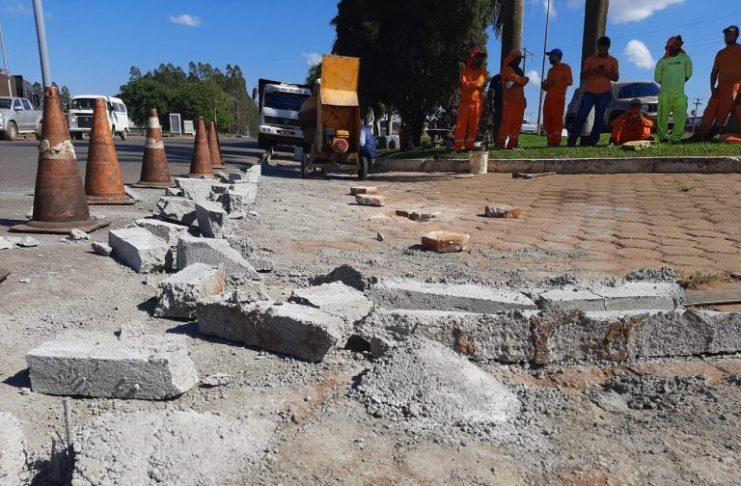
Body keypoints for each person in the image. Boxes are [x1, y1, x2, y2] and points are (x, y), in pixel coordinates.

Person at [689, 25, 741, 141]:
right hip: (720, 86)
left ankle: (710, 135)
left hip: (735, 85)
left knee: (723, 111)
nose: (728, 36)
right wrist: (712, 87)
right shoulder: (720, 53)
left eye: (731, 34)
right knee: (710, 110)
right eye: (726, 34)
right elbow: (714, 72)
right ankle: (698, 135)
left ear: (737, 36)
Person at [568, 36, 619, 147]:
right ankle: (571, 142)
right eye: (600, 49)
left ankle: (592, 142)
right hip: (590, 92)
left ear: (609, 47)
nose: (602, 51)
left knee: (599, 119)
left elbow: (616, 77)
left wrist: (605, 72)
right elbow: (582, 76)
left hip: (605, 93)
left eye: (605, 49)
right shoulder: (590, 60)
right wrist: (595, 71)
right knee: (580, 117)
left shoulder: (613, 61)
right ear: (597, 47)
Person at [654, 35, 692, 143]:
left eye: (679, 44)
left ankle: (676, 138)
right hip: (664, 94)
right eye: (675, 43)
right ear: (669, 45)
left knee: (681, 116)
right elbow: (657, 78)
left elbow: (688, 74)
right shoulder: (662, 61)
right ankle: (662, 137)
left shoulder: (685, 58)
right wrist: (668, 84)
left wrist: (677, 83)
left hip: (679, 94)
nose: (677, 46)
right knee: (662, 116)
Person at [453, 48, 487, 152]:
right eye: (477, 57)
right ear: (472, 58)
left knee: (474, 126)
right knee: (460, 125)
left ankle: (469, 146)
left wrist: (467, 84)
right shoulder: (464, 71)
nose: (480, 60)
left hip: (477, 103)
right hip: (464, 102)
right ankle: (458, 147)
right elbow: (463, 84)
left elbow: (479, 83)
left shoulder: (482, 71)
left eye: (481, 58)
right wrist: (473, 84)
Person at [497, 49, 529, 149]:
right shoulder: (507, 68)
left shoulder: (518, 70)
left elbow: (519, 81)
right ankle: (501, 143)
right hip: (509, 100)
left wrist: (521, 81)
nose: (519, 61)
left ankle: (513, 144)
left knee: (517, 122)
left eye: (520, 59)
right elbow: (518, 79)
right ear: (513, 58)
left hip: (519, 100)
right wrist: (525, 79)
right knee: (507, 122)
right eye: (518, 59)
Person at [541, 48, 573, 146]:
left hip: (558, 98)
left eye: (551, 56)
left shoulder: (565, 67)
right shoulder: (550, 70)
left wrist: (554, 83)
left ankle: (556, 141)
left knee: (556, 119)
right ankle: (550, 140)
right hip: (548, 98)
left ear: (556, 56)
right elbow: (548, 86)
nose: (549, 58)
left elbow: (569, 82)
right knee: (547, 120)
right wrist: (544, 86)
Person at [487, 73, 503, 141]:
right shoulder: (496, 78)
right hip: (497, 105)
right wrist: (491, 105)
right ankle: (496, 142)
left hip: (508, 105)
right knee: (496, 124)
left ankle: (504, 142)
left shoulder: (511, 78)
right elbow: (490, 92)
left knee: (507, 124)